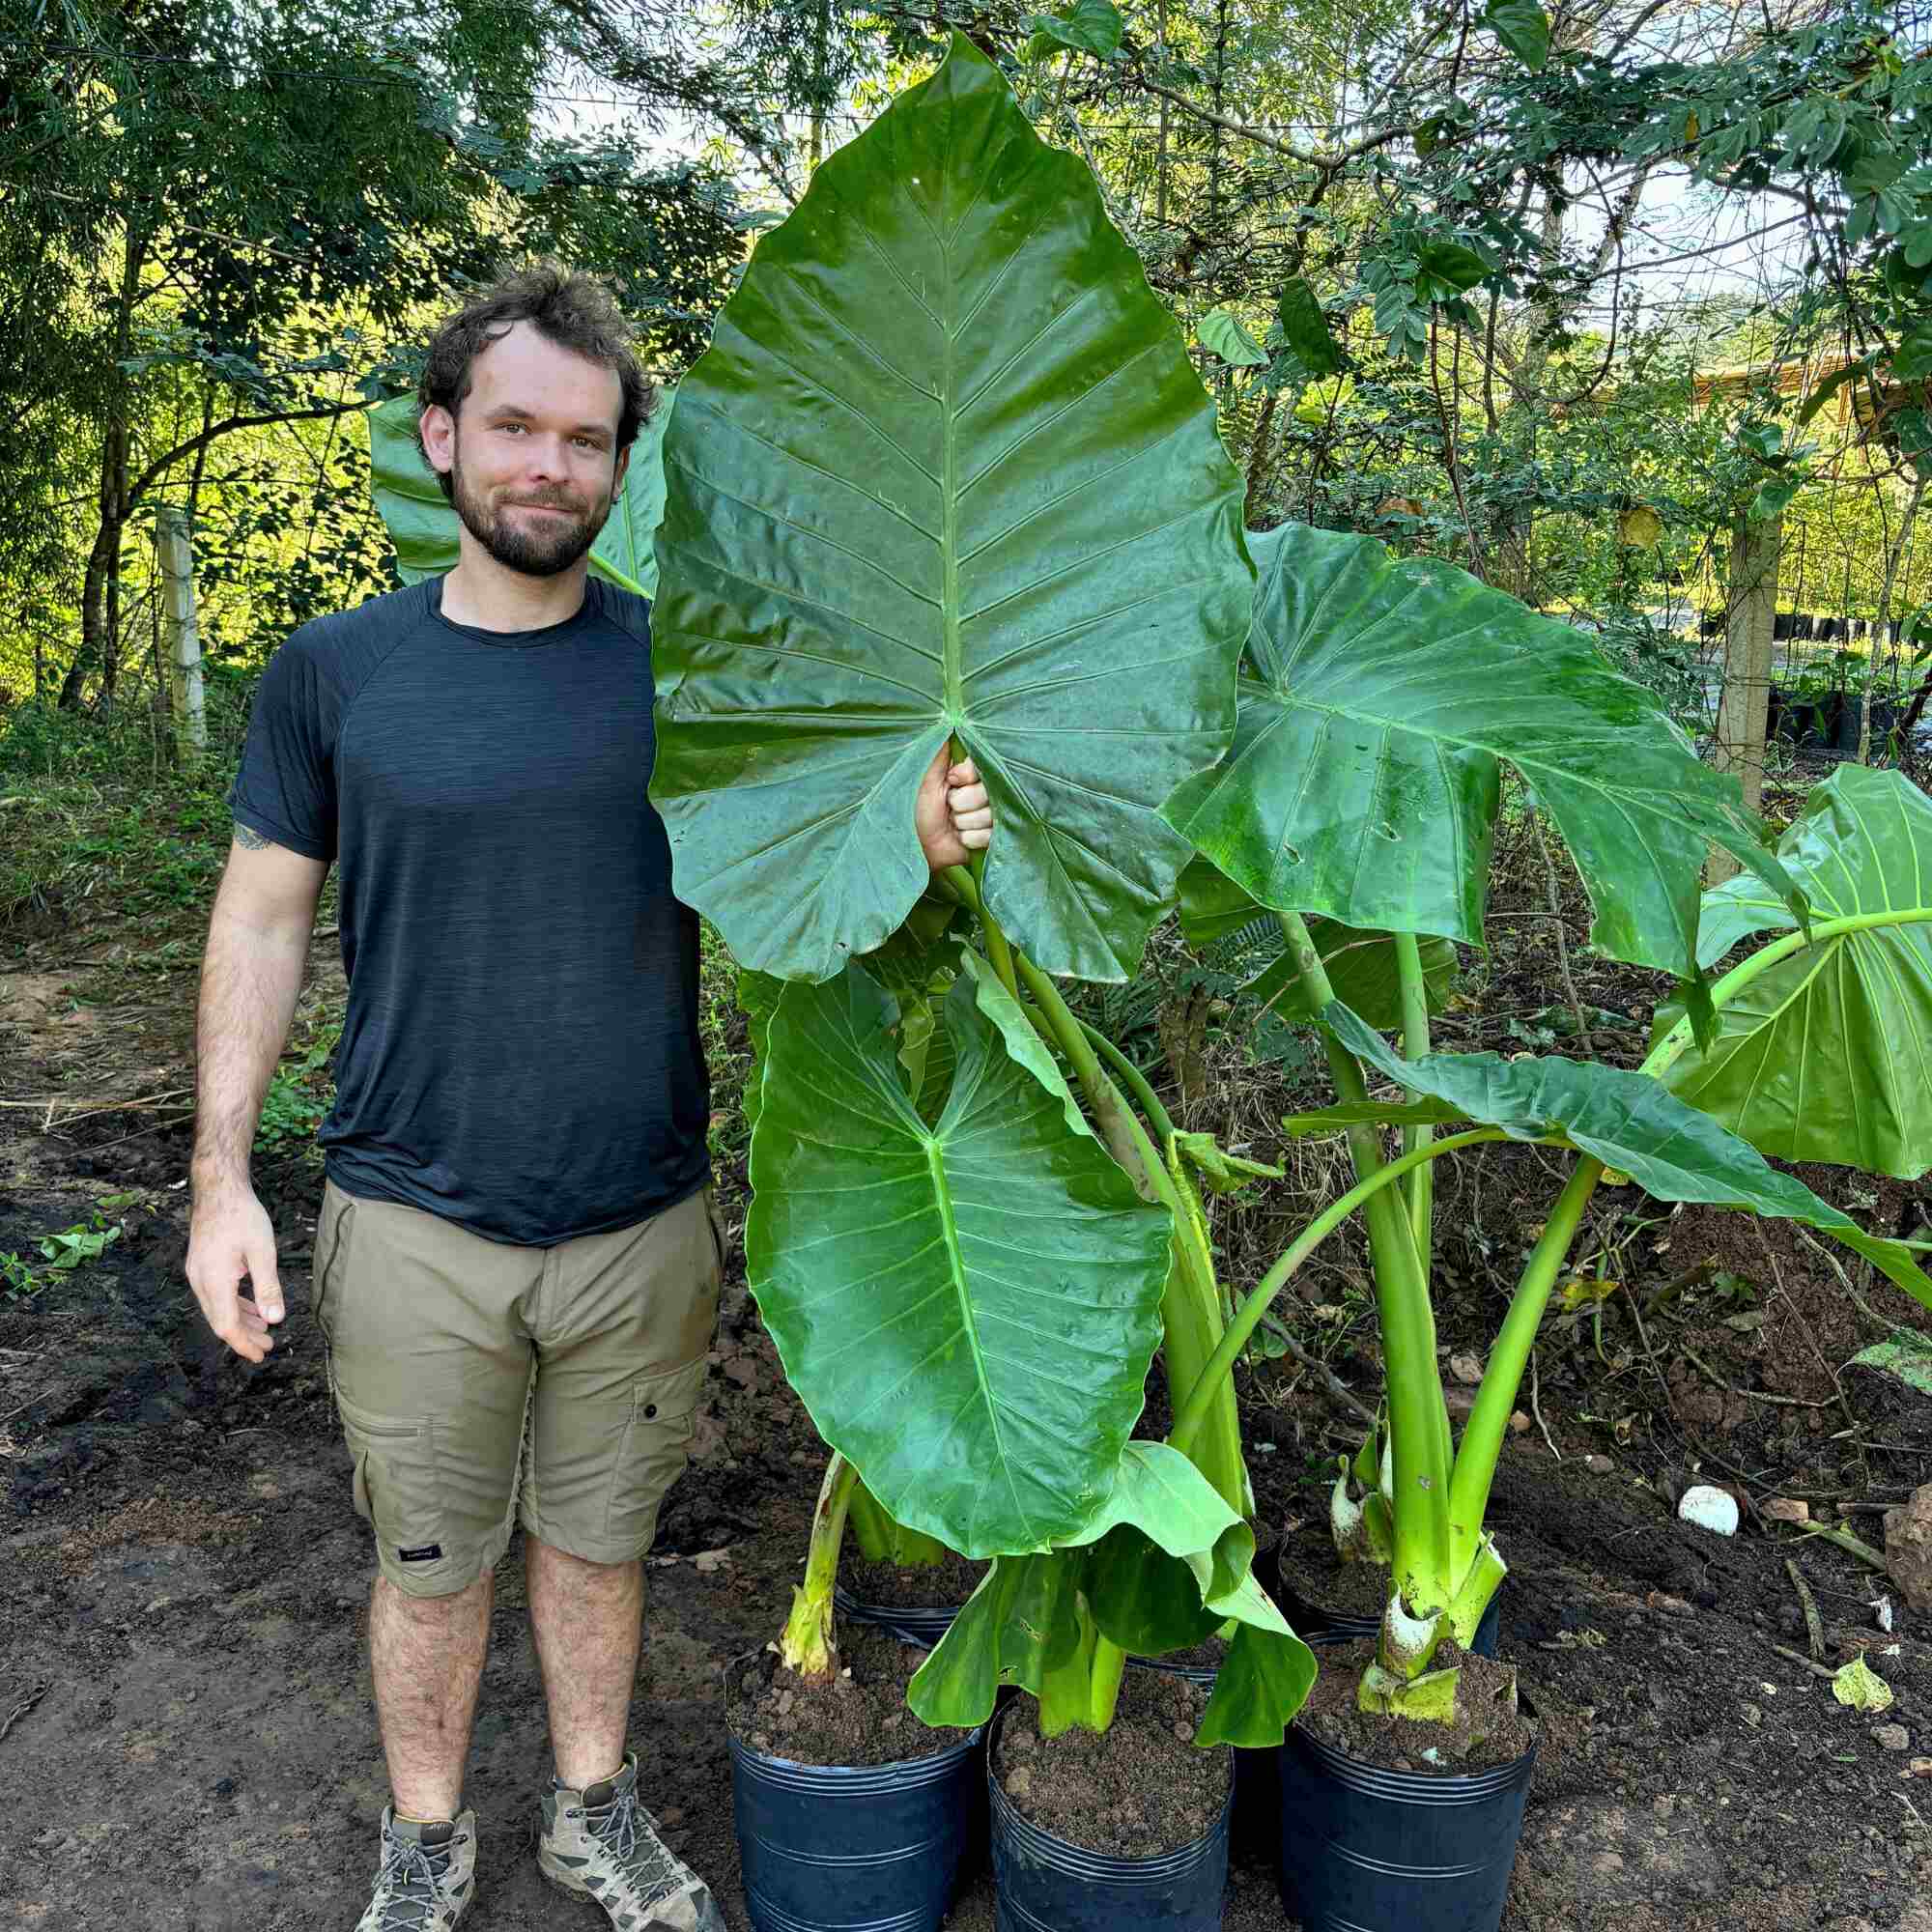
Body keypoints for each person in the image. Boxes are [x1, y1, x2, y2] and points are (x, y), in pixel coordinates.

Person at [185, 263, 992, 1932]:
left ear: (624, 463)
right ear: (441, 440)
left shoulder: (686, 679)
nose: (549, 466)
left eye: (586, 438)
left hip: (640, 1216)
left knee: (599, 1547)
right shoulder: (335, 674)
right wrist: (220, 1181)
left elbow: (793, 885)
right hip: (413, 1213)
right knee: (429, 1566)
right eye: (515, 429)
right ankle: (425, 1841)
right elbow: (261, 914)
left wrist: (909, 848)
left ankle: (590, 1812)